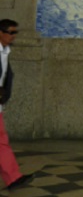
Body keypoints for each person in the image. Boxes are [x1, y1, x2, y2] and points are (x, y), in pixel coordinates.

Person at [0, 20, 35, 190]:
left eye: (15, 33)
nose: (13, 36)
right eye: (11, 32)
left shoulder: (5, 51)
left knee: (1, 142)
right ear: (0, 32)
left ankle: (13, 178)